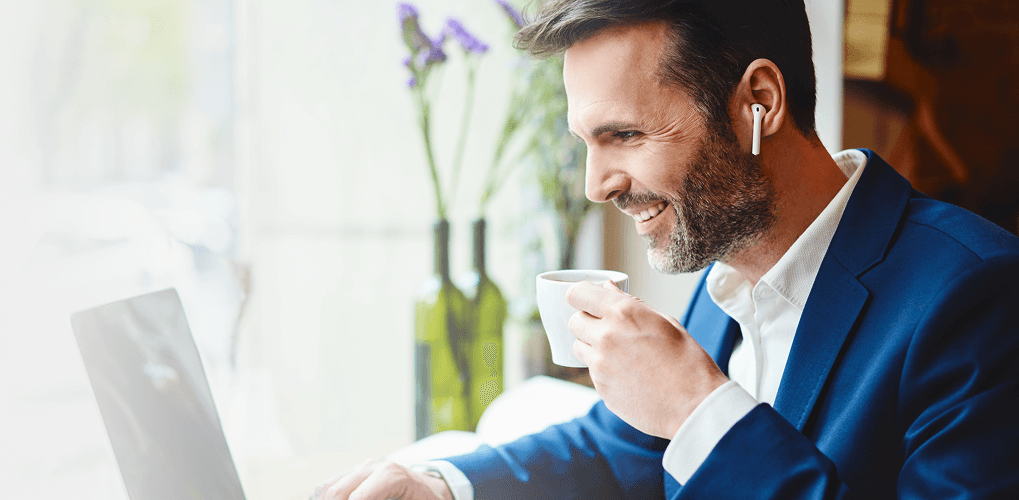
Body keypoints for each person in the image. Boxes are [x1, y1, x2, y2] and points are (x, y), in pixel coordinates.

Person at [313, 0, 1019, 498]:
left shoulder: (977, 296)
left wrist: (698, 407)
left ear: (759, 102)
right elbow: (624, 448)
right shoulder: (731, 269)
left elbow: (690, 426)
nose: (596, 185)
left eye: (624, 136)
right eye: (586, 143)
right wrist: (441, 486)